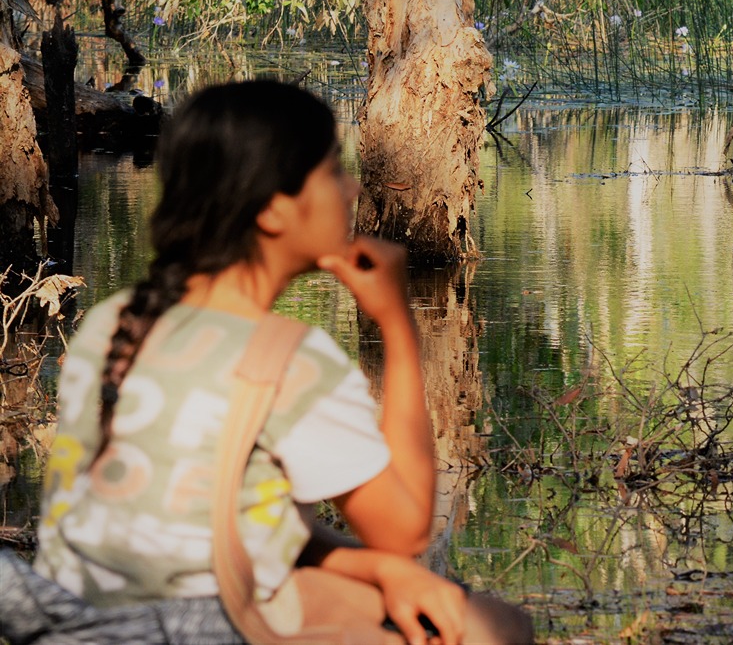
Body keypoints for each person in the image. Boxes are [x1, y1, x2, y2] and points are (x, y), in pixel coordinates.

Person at [33, 80, 531, 645]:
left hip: (78, 621)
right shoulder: (291, 360)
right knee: (497, 628)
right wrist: (397, 324)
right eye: (331, 172)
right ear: (273, 211)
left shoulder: (112, 323)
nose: (352, 189)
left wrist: (380, 570)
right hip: (200, 627)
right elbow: (406, 528)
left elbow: (231, 526)